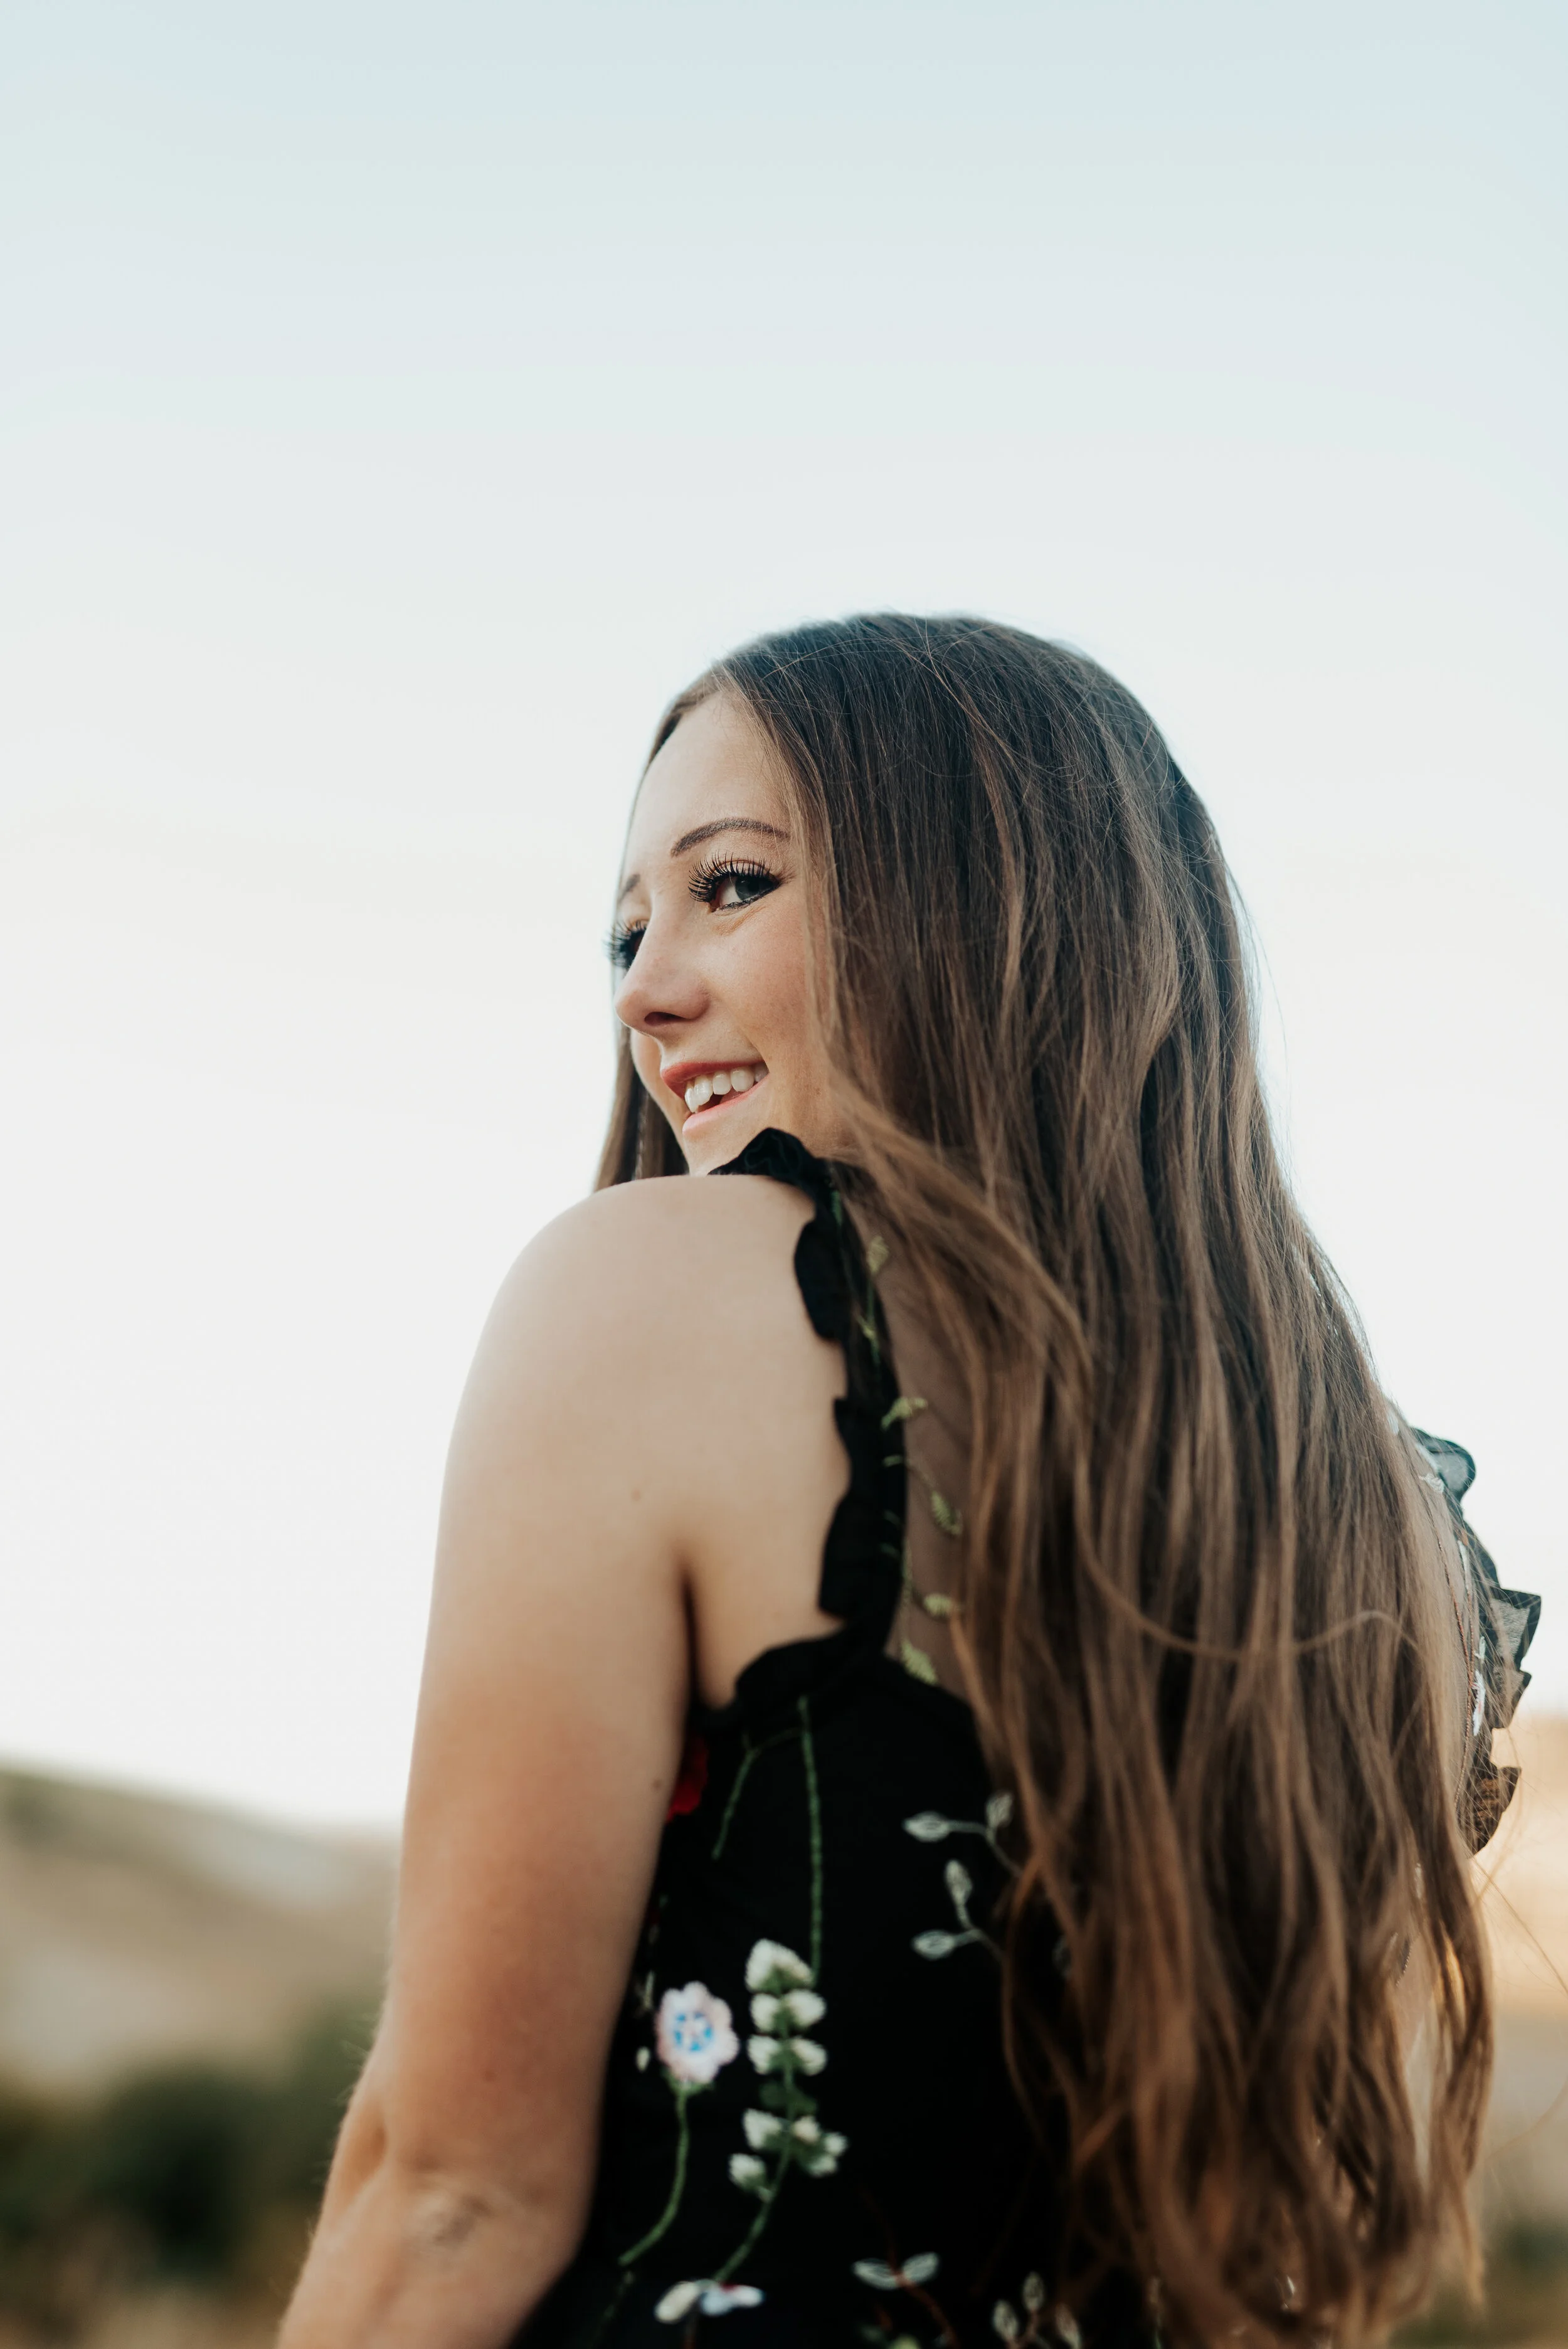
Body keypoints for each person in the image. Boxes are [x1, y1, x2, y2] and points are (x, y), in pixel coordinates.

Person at [277, 615, 1539, 2349]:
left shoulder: (648, 1293)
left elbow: (453, 2193)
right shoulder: (1372, 1505)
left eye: (729, 886)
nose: (640, 990)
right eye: (627, 925)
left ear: (983, 899)